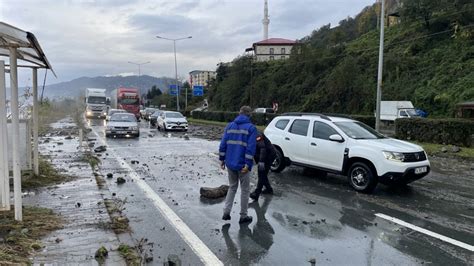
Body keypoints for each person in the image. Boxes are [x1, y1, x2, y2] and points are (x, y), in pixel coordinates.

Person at [219, 106, 257, 224]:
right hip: (242, 166)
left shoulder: (229, 126)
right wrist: (248, 164)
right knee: (245, 190)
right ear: (249, 115)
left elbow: (223, 144)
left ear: (239, 113)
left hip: (230, 163)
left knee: (232, 187)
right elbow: (250, 149)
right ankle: (243, 216)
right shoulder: (251, 128)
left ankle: (226, 212)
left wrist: (222, 159)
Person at [250, 132, 276, 201]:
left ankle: (256, 193)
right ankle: (269, 189)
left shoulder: (257, 135)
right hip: (262, 155)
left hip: (269, 155)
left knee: (261, 174)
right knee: (263, 174)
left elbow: (262, 148)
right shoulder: (248, 136)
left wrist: (261, 162)